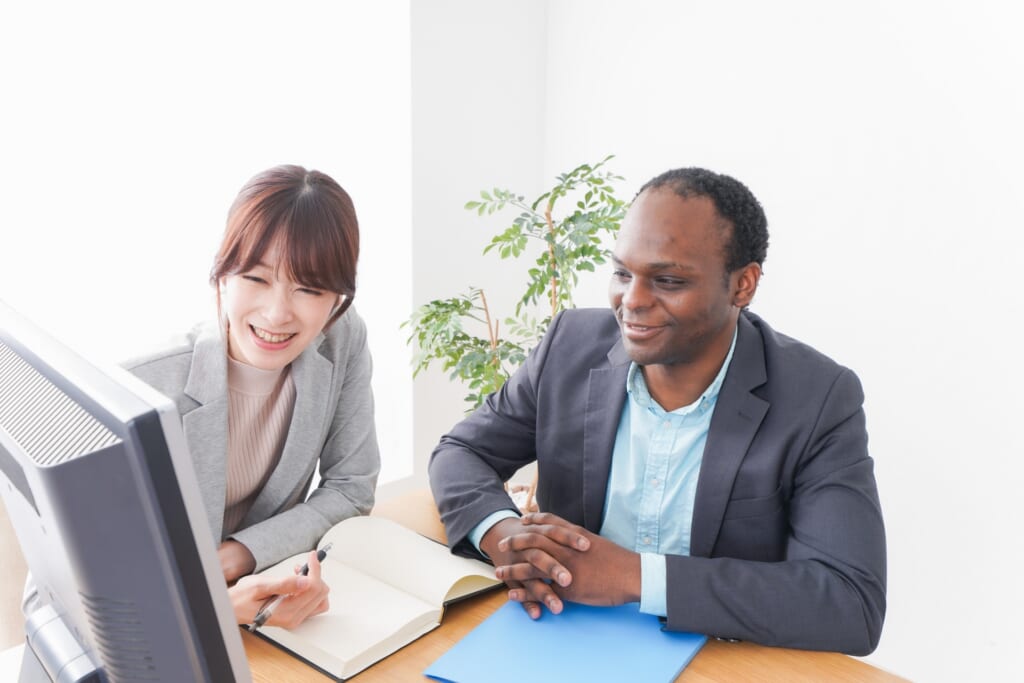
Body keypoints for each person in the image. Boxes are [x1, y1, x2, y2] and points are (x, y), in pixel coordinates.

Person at [429, 167, 886, 655]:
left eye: (667, 280)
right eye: (623, 273)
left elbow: (849, 601)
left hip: (714, 657)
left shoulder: (817, 397)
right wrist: (507, 537)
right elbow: (460, 452)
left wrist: (635, 577)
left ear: (743, 285)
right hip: (558, 636)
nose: (632, 301)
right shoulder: (569, 347)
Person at [126, 164, 380, 627]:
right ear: (222, 276)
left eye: (309, 288)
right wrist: (214, 608)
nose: (278, 313)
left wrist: (238, 557)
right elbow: (74, 588)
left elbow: (351, 488)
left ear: (337, 300)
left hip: (270, 610)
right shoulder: (140, 388)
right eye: (256, 279)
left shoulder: (342, 338)